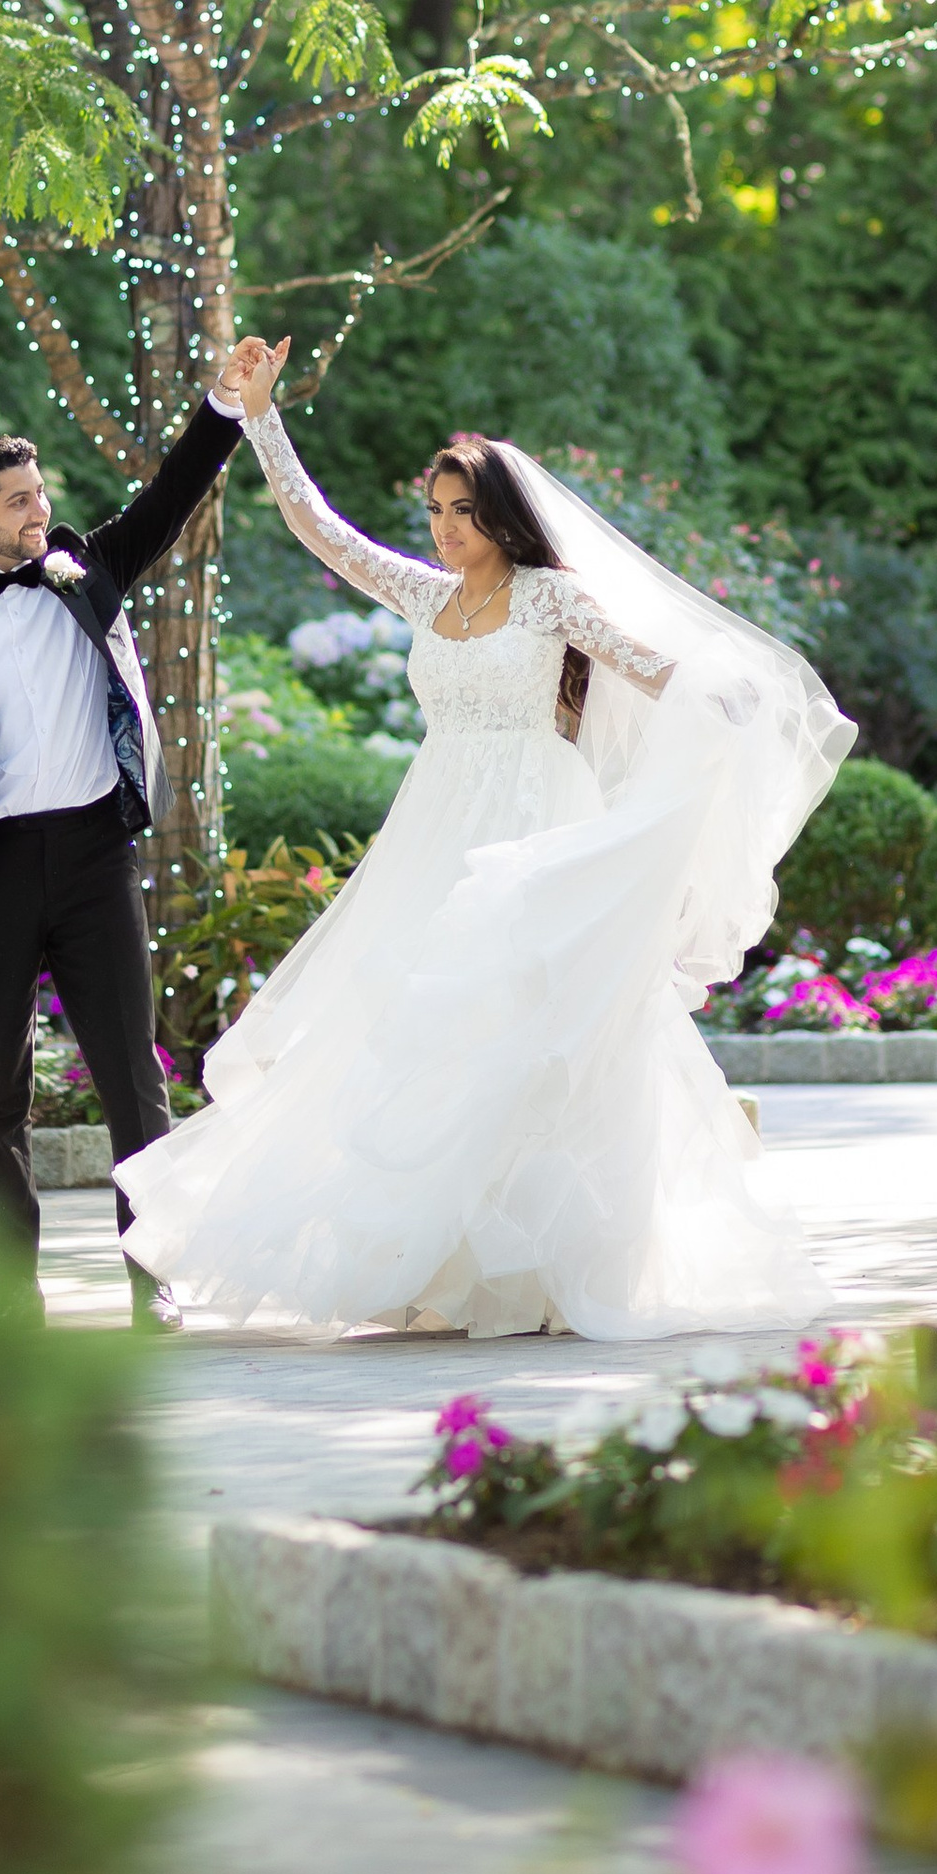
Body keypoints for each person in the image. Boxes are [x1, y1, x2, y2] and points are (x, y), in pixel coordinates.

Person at [121, 340, 859, 1339]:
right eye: (434, 511)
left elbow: (646, 666)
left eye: (461, 510)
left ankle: (542, 1269)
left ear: (502, 515)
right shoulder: (428, 595)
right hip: (436, 824)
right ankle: (427, 1267)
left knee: (533, 1033)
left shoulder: (549, 596)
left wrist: (719, 693)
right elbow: (320, 531)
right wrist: (261, 418)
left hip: (534, 823)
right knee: (418, 1035)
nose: (444, 528)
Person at [0, 350, 260, 1326]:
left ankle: (148, 1279)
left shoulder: (87, 573)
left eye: (40, 494)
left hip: (91, 857)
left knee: (134, 1082)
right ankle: (11, 1289)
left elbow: (168, 497)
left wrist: (224, 405)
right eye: (17, 501)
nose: (37, 512)